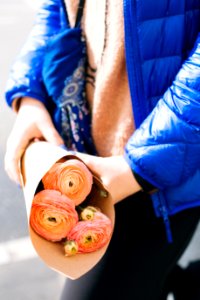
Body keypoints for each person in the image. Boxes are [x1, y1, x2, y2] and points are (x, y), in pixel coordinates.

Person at [4, 0, 200, 299]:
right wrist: (29, 97)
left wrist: (136, 168)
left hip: (158, 177)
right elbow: (56, 9)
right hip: (84, 156)